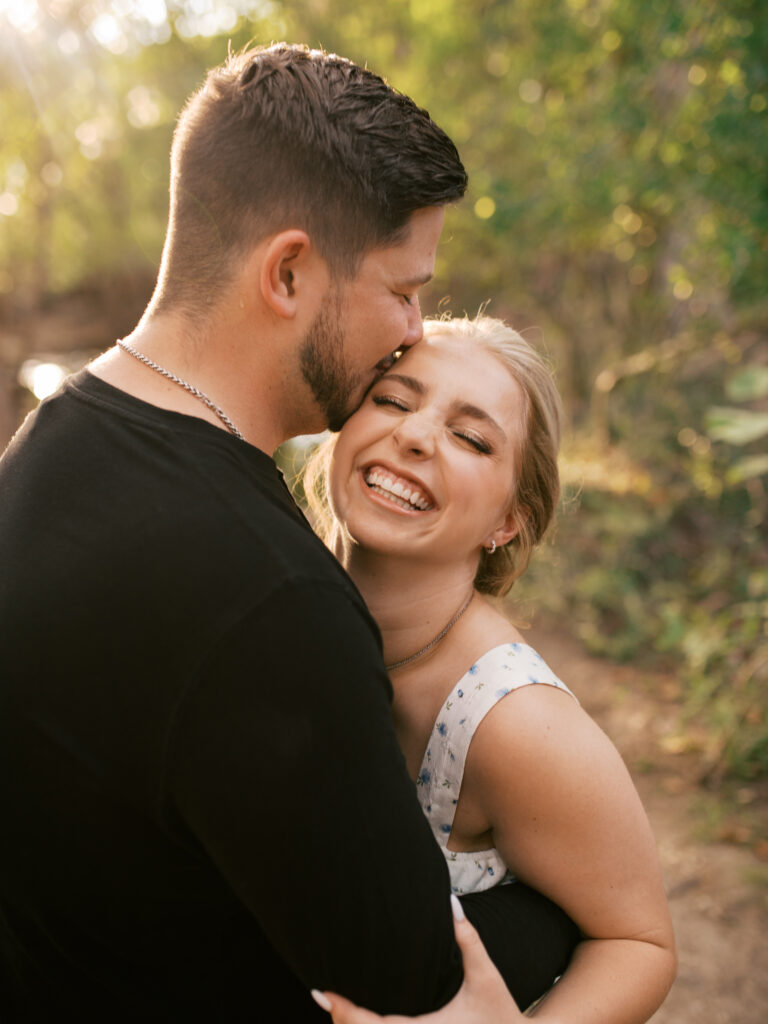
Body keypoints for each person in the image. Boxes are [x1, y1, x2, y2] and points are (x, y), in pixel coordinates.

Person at [0, 45, 578, 1022]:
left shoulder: (53, 440)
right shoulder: (273, 598)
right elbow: (408, 987)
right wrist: (552, 932)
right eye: (405, 290)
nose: (413, 330)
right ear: (290, 273)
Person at [304, 314, 677, 1023]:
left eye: (471, 438)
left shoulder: (513, 719)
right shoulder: (266, 588)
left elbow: (640, 940)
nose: (414, 436)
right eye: (392, 400)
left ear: (508, 520)